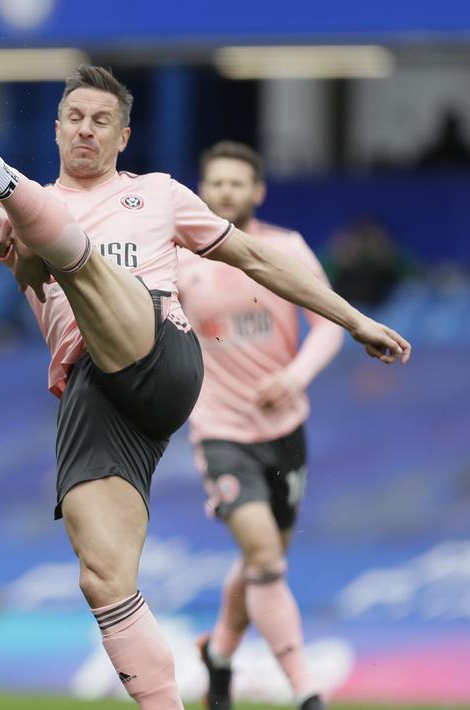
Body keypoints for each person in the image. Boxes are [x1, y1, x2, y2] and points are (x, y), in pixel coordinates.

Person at [0, 66, 410, 709]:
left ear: (124, 136)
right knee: (103, 579)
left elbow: (255, 256)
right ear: (55, 130)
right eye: (74, 117)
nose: (85, 129)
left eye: (101, 120)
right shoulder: (23, 217)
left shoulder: (159, 193)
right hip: (92, 392)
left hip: (160, 353)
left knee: (83, 265)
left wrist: (353, 319)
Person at [178, 140, 344, 710]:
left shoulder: (286, 248)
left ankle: (220, 654)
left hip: (285, 430)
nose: (225, 191)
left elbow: (329, 322)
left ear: (258, 192)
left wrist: (295, 378)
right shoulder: (180, 258)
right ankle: (307, 693)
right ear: (202, 188)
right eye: (215, 182)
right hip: (221, 432)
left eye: (236, 183)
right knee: (267, 562)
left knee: (262, 559)